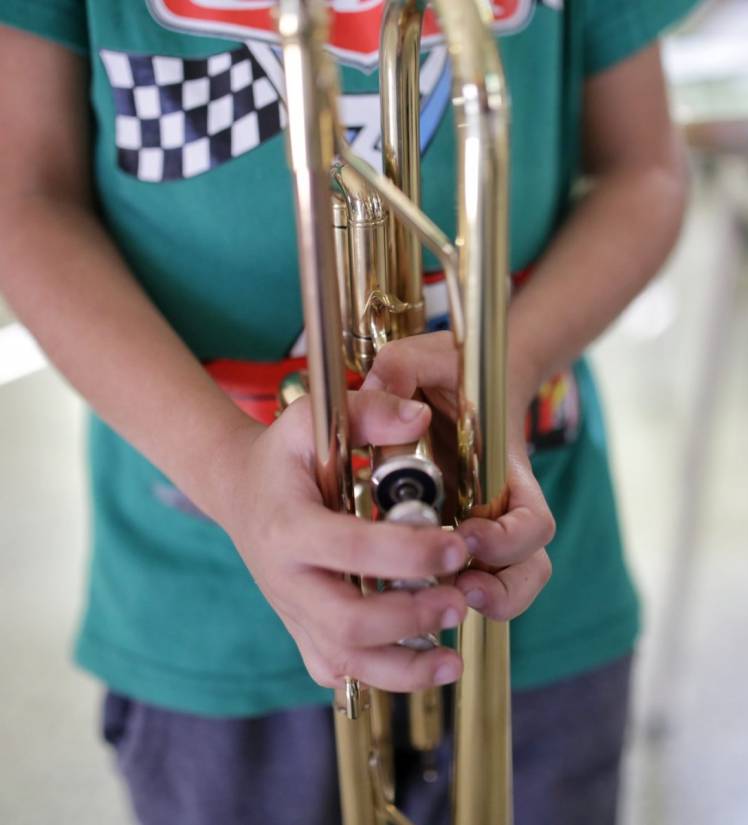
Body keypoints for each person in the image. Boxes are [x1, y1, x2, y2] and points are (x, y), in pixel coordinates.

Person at [0, 1, 698, 823]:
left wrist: (503, 366)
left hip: (536, 583)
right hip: (206, 600)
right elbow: (25, 199)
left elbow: (642, 170)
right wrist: (232, 475)